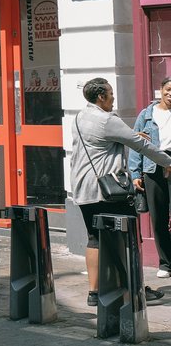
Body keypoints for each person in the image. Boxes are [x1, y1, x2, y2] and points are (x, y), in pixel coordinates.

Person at [71, 76, 171, 306]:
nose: (113, 97)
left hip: (85, 188)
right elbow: (141, 145)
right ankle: (135, 288)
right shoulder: (106, 119)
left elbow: (107, 142)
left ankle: (94, 293)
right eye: (110, 93)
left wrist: (131, 138)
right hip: (109, 190)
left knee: (94, 238)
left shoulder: (79, 117)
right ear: (100, 97)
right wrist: (167, 162)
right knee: (129, 238)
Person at [130, 76, 171, 279]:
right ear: (161, 90)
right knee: (159, 217)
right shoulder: (146, 114)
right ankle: (166, 263)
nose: (170, 94)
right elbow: (136, 142)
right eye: (168, 90)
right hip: (152, 167)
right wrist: (135, 173)